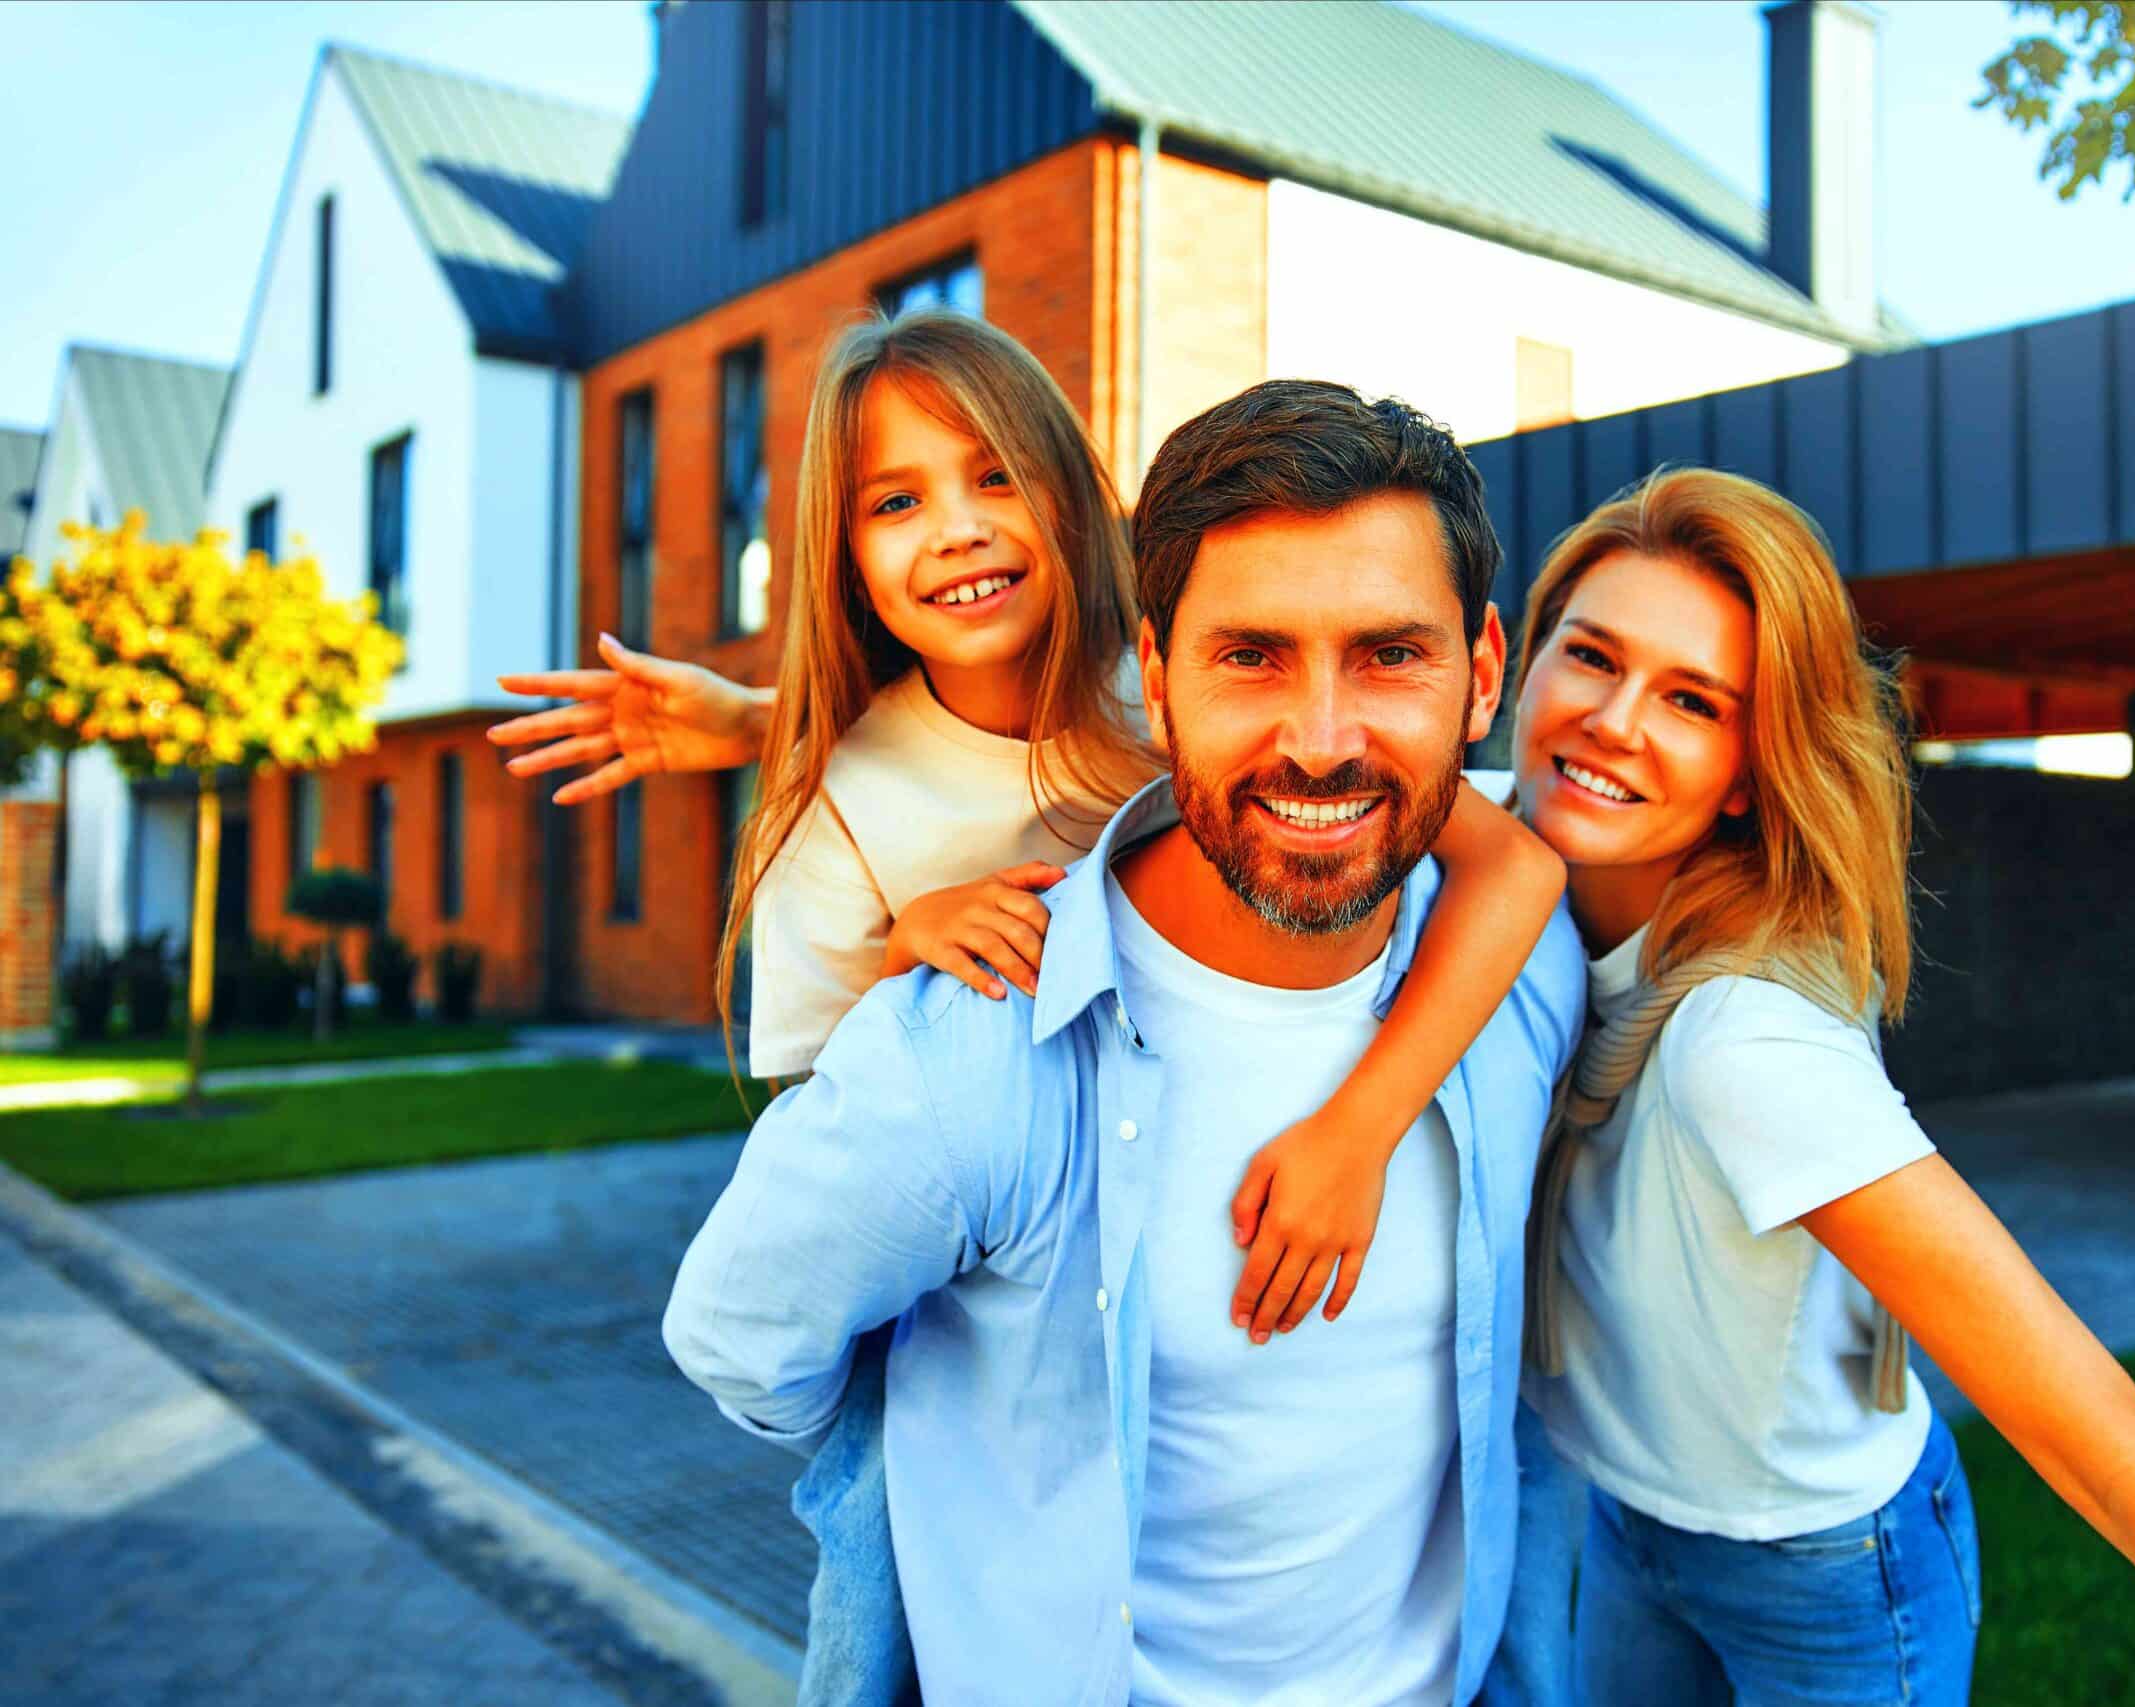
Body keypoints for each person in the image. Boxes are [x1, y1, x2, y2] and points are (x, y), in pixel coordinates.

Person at [657, 379, 1584, 1702]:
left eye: (1390, 654)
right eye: (1250, 655)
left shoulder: (1521, 972)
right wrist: (954, 1469)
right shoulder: (973, 1059)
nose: (1322, 740)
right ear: (1155, 674)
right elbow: (741, 1333)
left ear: (1484, 670)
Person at [1492, 467, 2135, 1706]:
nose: (1614, 720)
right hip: (1633, 1526)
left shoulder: (1740, 1044)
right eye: (1591, 657)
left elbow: (2093, 1437)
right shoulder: (1494, 857)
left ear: (1749, 769)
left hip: (1824, 1567)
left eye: (1691, 700)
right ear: (1519, 664)